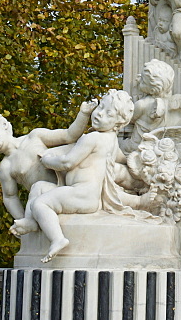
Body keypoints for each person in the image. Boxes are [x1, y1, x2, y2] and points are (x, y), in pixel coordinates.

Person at [9, 90, 137, 263]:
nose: (99, 114)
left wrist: (47, 160)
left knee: (41, 203)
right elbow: (121, 158)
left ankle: (58, 239)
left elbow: (67, 163)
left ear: (118, 123)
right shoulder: (111, 139)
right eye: (100, 108)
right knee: (38, 187)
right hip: (78, 192)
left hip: (83, 195)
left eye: (108, 113)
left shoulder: (92, 138)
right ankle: (32, 221)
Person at [0, 102, 96, 221]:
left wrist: (83, 114)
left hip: (70, 182)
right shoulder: (6, 167)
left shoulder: (35, 136)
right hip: (46, 194)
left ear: (4, 125)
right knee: (38, 190)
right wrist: (21, 219)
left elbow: (68, 136)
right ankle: (29, 223)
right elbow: (10, 197)